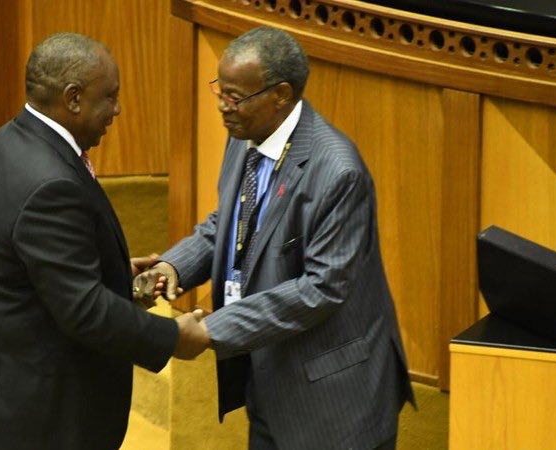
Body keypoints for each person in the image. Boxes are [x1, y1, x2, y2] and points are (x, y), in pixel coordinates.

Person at [136, 27, 415, 449]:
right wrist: (172, 266)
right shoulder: (246, 136)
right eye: (220, 90)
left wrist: (213, 329)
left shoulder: (338, 172)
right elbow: (228, 224)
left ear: (281, 94)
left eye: (235, 96)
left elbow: (321, 289)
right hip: (269, 376)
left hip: (334, 400)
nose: (222, 106)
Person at [0, 33, 207, 450]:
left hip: (9, 387)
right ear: (74, 98)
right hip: (34, 415)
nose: (117, 109)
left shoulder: (10, 139)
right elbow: (82, 310)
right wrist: (171, 338)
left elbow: (39, 269)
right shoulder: (51, 183)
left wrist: (110, 272)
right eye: (110, 96)